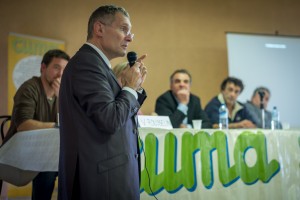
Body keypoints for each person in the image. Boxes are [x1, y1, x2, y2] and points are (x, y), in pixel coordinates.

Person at [58, 5, 147, 200]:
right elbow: (110, 119)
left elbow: (119, 112)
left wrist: (135, 88)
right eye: (124, 29)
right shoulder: (87, 64)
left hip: (108, 174)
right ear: (99, 29)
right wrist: (129, 88)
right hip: (101, 180)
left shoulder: (98, 65)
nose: (130, 37)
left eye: (130, 32)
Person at [3, 49, 70, 200]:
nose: (60, 74)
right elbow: (23, 125)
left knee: (72, 168)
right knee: (47, 171)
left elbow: (67, 124)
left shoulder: (61, 94)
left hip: (44, 151)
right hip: (19, 149)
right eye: (56, 67)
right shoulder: (29, 88)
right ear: (43, 68)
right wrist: (55, 126)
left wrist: (61, 98)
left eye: (64, 69)